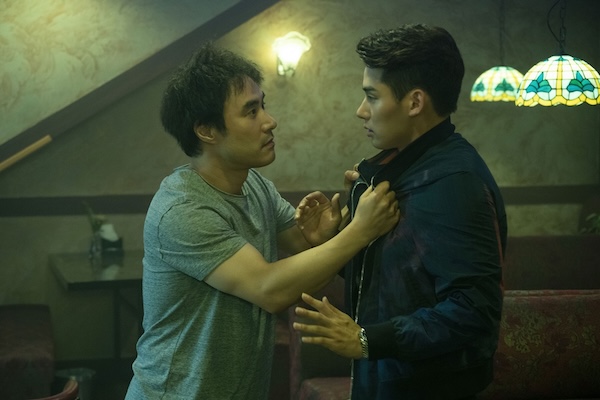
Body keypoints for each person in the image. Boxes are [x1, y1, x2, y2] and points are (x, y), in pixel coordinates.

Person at [124, 43, 399, 400]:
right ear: (207, 130)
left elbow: (305, 256)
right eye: (251, 112)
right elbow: (270, 290)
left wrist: (334, 226)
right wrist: (361, 230)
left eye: (263, 106)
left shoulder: (254, 185)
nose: (270, 121)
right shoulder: (182, 209)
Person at [293, 24, 507, 400]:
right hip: (387, 381)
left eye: (372, 96)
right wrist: (333, 243)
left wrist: (366, 339)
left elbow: (475, 310)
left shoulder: (453, 181)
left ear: (414, 103)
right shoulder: (403, 167)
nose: (361, 111)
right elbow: (402, 276)